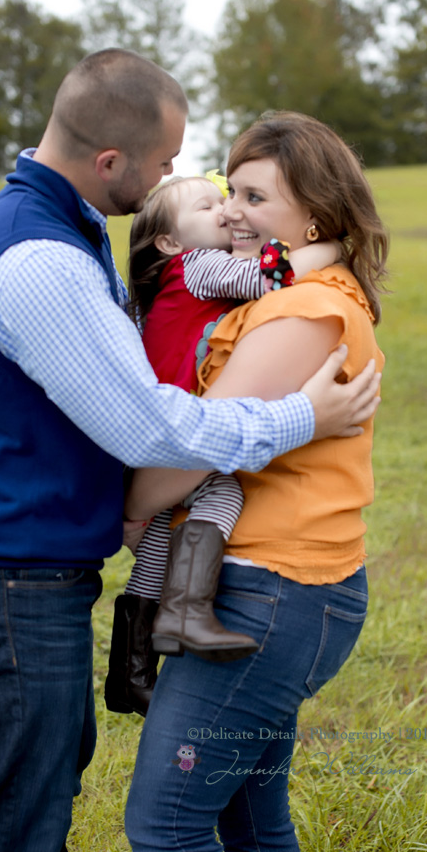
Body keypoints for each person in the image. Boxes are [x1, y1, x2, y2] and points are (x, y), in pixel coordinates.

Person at [0, 51, 381, 852]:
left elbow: (168, 434)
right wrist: (300, 418)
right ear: (114, 158)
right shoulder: (41, 255)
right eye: (171, 163)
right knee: (16, 807)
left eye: (246, 192)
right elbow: (152, 431)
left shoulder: (66, 223)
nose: (186, 185)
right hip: (2, 573)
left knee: (50, 773)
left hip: (67, 566)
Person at [123, 110, 388, 852]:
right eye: (228, 191)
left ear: (314, 211)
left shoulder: (308, 308)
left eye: (253, 195)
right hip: (292, 588)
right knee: (244, 801)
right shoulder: (297, 290)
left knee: (163, 817)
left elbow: (199, 444)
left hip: (272, 592)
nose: (234, 211)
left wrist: (125, 517)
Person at [105, 173, 341, 716]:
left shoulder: (164, 280)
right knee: (224, 494)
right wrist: (328, 248)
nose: (225, 212)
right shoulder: (198, 266)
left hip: (153, 426)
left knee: (163, 530)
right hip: (181, 424)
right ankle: (185, 613)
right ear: (169, 240)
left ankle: (131, 670)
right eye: (209, 205)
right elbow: (270, 278)